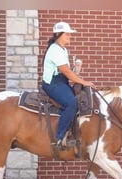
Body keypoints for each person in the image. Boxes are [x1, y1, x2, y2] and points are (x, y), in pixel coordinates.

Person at [42, 21, 96, 149]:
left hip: (61, 81)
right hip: (53, 83)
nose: (69, 37)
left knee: (80, 98)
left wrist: (75, 71)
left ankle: (72, 132)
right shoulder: (55, 50)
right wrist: (84, 82)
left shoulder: (63, 49)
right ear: (59, 35)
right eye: (67, 35)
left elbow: (66, 71)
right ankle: (59, 138)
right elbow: (66, 71)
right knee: (71, 103)